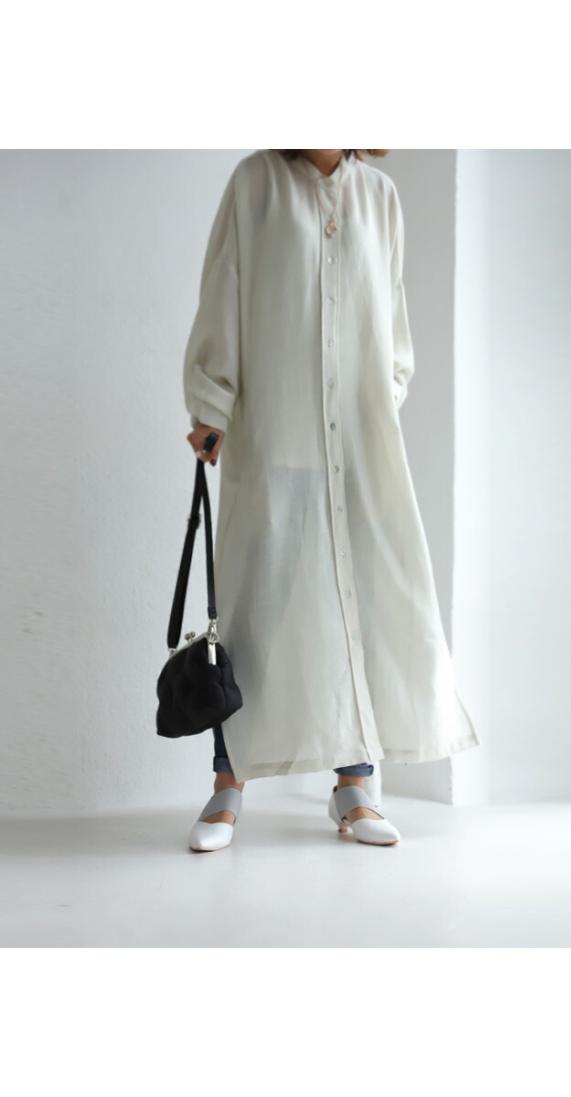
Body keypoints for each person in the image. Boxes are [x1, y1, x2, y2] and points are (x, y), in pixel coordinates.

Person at [183, 149, 478, 852]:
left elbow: (392, 317)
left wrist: (382, 399)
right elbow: (224, 289)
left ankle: (355, 787)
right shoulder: (256, 183)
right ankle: (228, 781)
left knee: (361, 608)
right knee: (255, 613)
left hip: (360, 448)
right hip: (277, 437)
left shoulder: (380, 196)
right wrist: (212, 402)